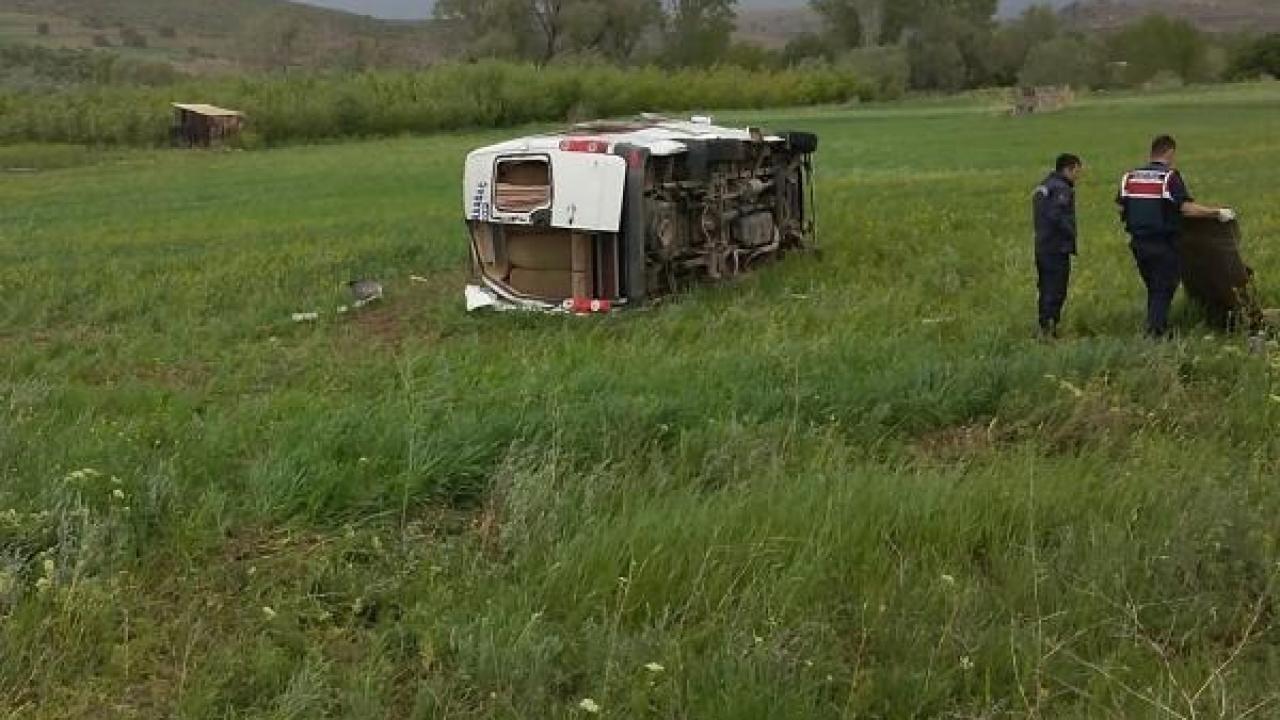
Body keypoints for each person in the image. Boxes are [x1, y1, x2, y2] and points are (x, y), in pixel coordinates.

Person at [1117, 135, 1235, 338]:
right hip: (1162, 243)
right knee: (1163, 288)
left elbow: (1121, 207)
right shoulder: (1168, 177)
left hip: (1138, 244)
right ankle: (1155, 333)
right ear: (1169, 152)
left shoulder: (1130, 177)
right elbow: (1185, 208)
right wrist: (1216, 213)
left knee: (1155, 287)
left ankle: (1155, 325)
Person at [1033, 153, 1083, 338]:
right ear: (1068, 168)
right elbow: (1056, 215)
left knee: (1045, 287)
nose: (1078, 176)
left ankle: (1044, 325)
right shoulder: (1062, 189)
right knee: (1056, 289)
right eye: (1077, 171)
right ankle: (1049, 329)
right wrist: (1070, 232)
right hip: (1056, 247)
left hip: (1042, 245)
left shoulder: (1044, 185)